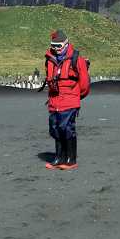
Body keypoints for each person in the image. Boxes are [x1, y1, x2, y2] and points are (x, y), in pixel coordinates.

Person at [43, 30, 90, 170]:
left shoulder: (77, 60)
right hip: (54, 101)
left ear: (66, 43)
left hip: (70, 101)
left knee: (67, 128)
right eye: (53, 45)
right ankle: (59, 157)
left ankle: (71, 159)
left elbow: (85, 85)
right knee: (55, 129)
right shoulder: (49, 59)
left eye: (58, 45)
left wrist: (75, 97)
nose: (56, 48)